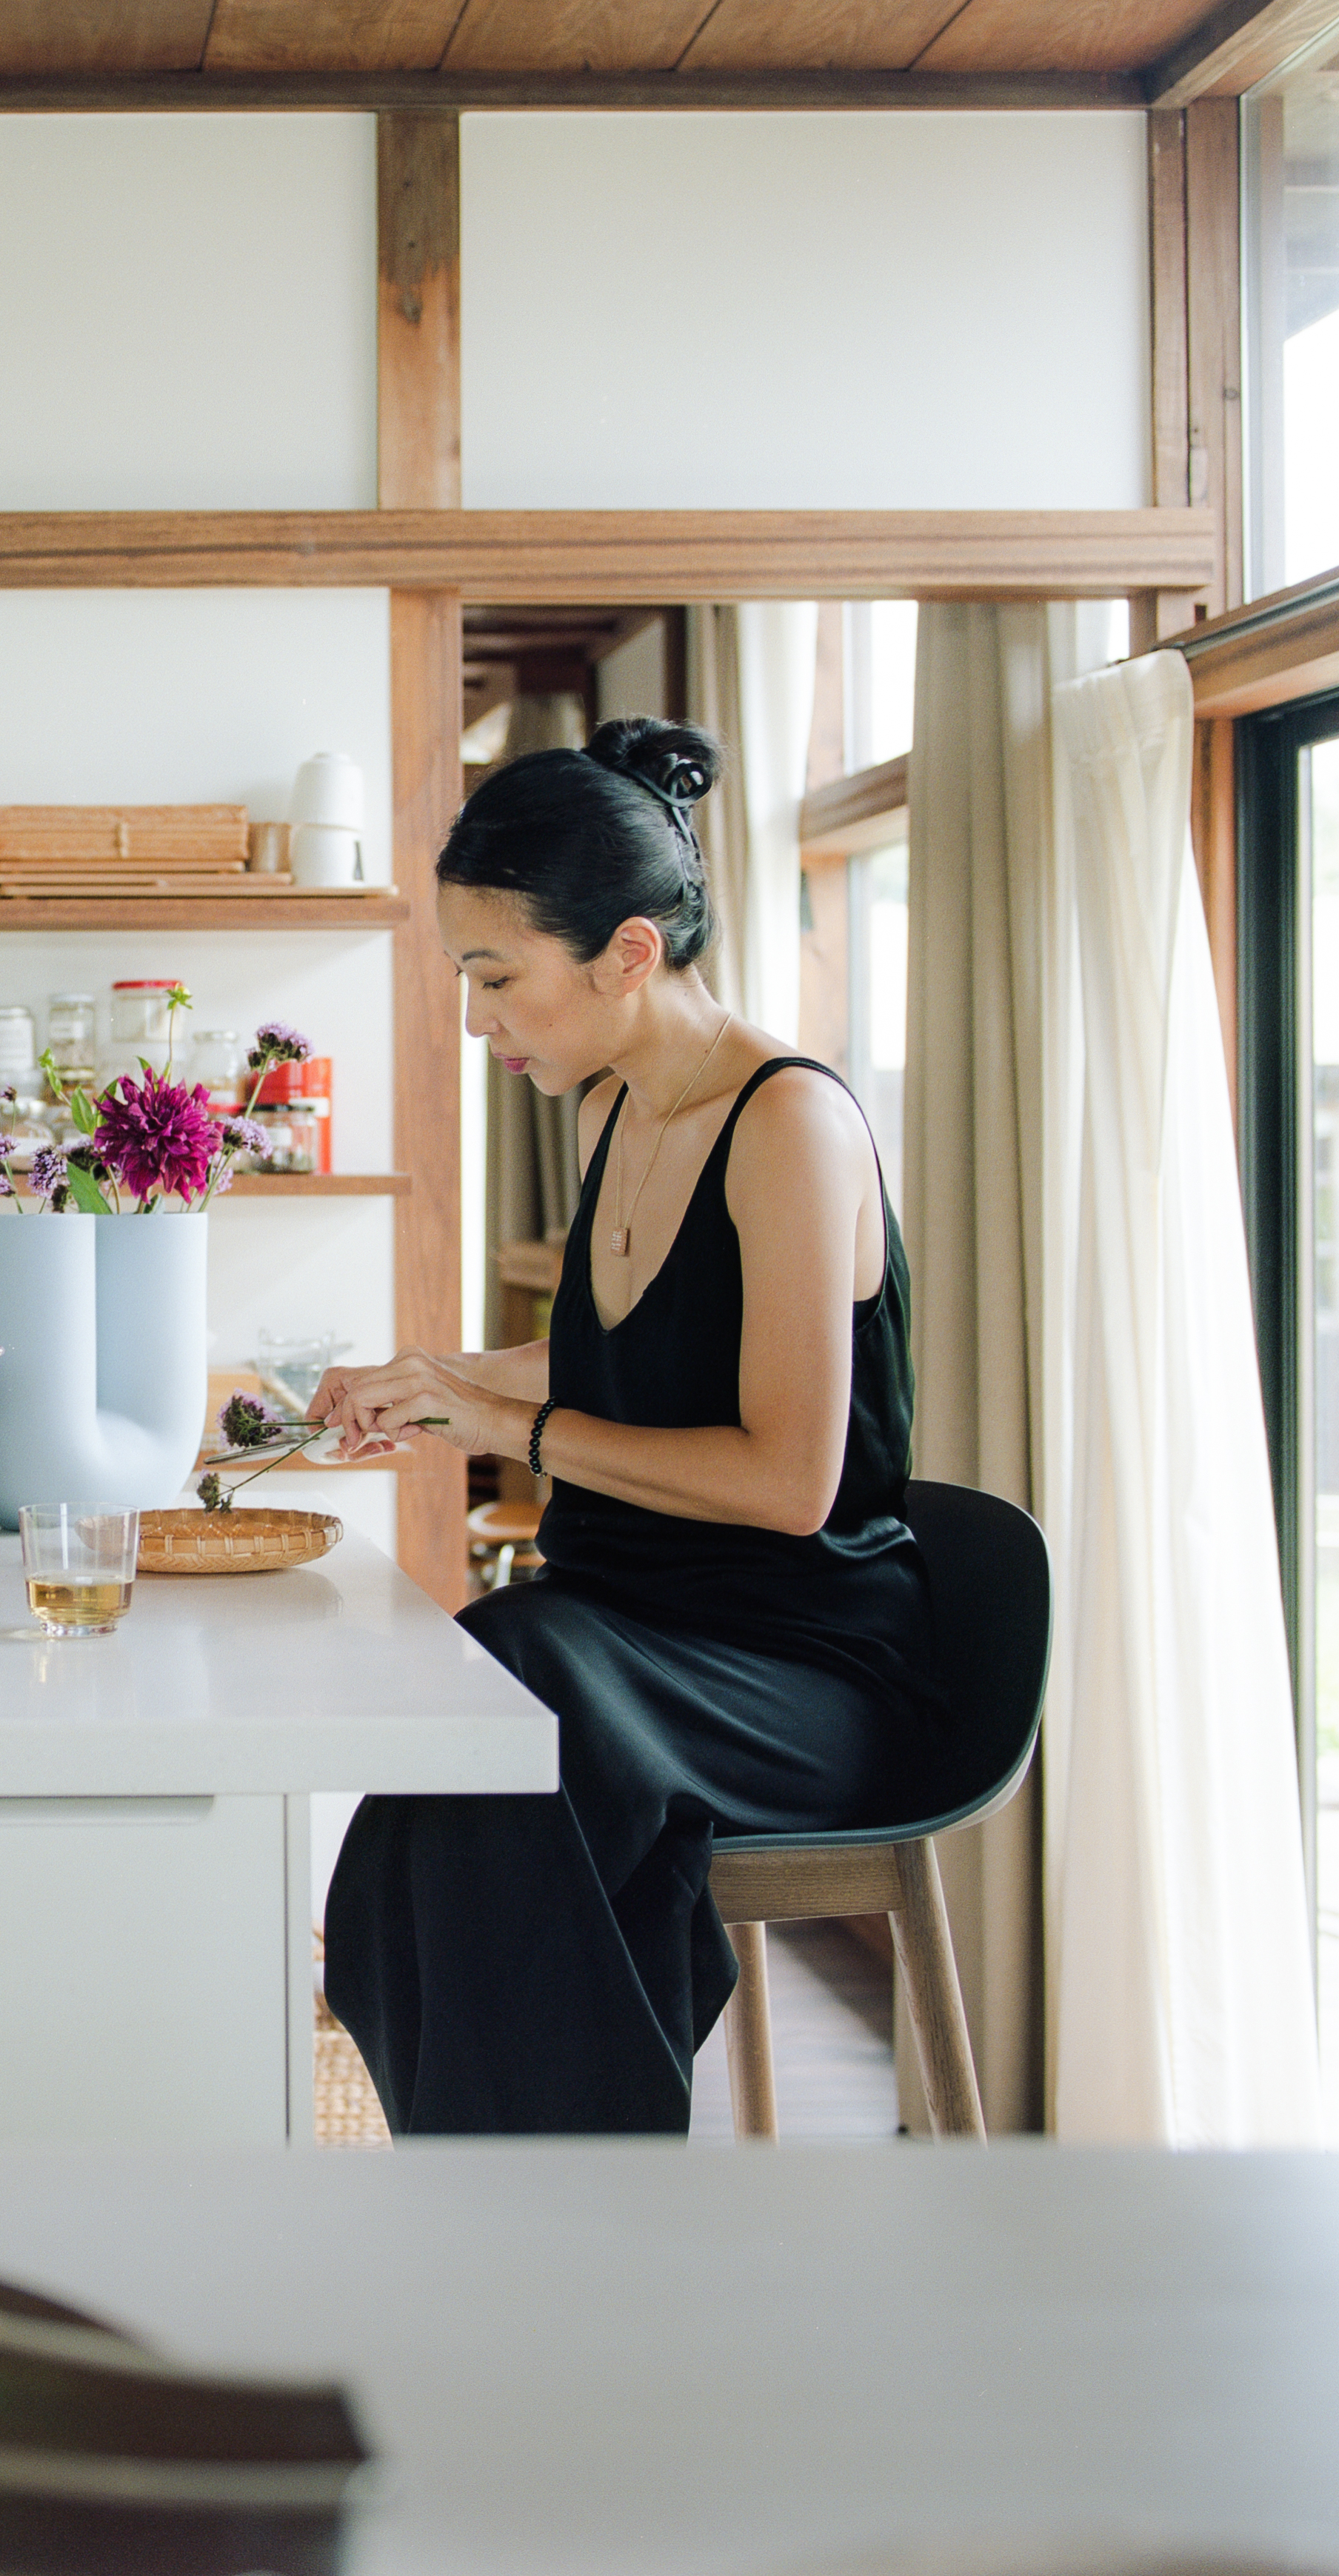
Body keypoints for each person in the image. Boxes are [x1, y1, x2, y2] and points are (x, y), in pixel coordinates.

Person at [313, 718, 937, 2134]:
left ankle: (556, 2196)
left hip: (798, 1665)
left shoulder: (788, 1124)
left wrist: (500, 1426)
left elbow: (787, 1480)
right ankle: (547, 2188)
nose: (478, 1020)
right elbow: (629, 1358)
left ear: (630, 953)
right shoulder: (612, 1109)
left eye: (496, 977)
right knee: (479, 1715)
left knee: (517, 1672)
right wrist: (440, 1374)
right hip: (639, 1632)